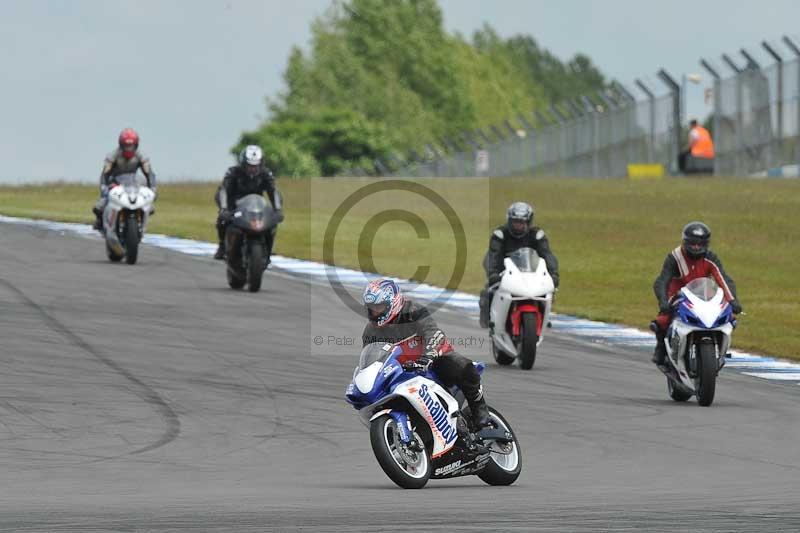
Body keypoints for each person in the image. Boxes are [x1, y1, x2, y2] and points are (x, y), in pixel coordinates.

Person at [361, 278, 491, 429]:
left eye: (379, 307)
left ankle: (479, 408)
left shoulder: (413, 311)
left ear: (393, 302)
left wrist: (427, 357)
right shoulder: (371, 331)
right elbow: (371, 359)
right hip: (400, 371)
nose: (375, 312)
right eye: (371, 308)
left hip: (432, 360)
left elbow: (433, 332)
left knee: (460, 366)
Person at [650, 221, 742, 365]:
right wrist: (663, 301)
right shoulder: (675, 257)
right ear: (685, 242)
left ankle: (720, 349)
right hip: (678, 293)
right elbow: (662, 281)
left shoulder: (710, 258)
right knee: (662, 320)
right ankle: (661, 347)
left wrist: (733, 300)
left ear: (706, 244)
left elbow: (723, 279)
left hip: (702, 292)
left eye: (700, 244)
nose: (696, 247)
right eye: (692, 244)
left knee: (729, 317)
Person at [479, 201, 559, 329]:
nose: (518, 226)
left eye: (521, 222)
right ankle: (491, 321)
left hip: (530, 274)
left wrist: (553, 274)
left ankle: (544, 318)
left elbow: (547, 255)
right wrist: (493, 273)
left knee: (549, 291)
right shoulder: (500, 235)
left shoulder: (537, 235)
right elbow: (493, 255)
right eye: (515, 222)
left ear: (528, 222)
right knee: (488, 292)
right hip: (505, 274)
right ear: (509, 221)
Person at [215, 145, 283, 262]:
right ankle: (222, 246)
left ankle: (267, 249)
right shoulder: (233, 172)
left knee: (272, 223)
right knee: (222, 220)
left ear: (261, 164)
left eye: (255, 166)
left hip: (257, 206)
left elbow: (273, 191)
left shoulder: (266, 173)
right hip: (235, 206)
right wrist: (224, 208)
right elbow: (224, 190)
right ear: (243, 163)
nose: (253, 169)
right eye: (249, 165)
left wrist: (277, 209)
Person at [92, 128, 156, 230]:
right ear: (121, 145)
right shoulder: (112, 156)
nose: (128, 149)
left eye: (131, 146)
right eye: (126, 146)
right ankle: (100, 221)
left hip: (134, 183)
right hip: (115, 182)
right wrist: (104, 189)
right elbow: (104, 174)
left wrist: (152, 189)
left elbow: (150, 175)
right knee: (99, 206)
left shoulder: (142, 156)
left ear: (136, 145)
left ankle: (141, 224)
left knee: (150, 207)